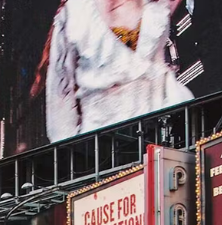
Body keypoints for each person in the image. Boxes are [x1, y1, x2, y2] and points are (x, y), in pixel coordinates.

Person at [40, 0, 192, 142]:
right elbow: (59, 98)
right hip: (103, 146)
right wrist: (69, 154)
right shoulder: (75, 13)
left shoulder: (155, 5)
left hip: (162, 131)